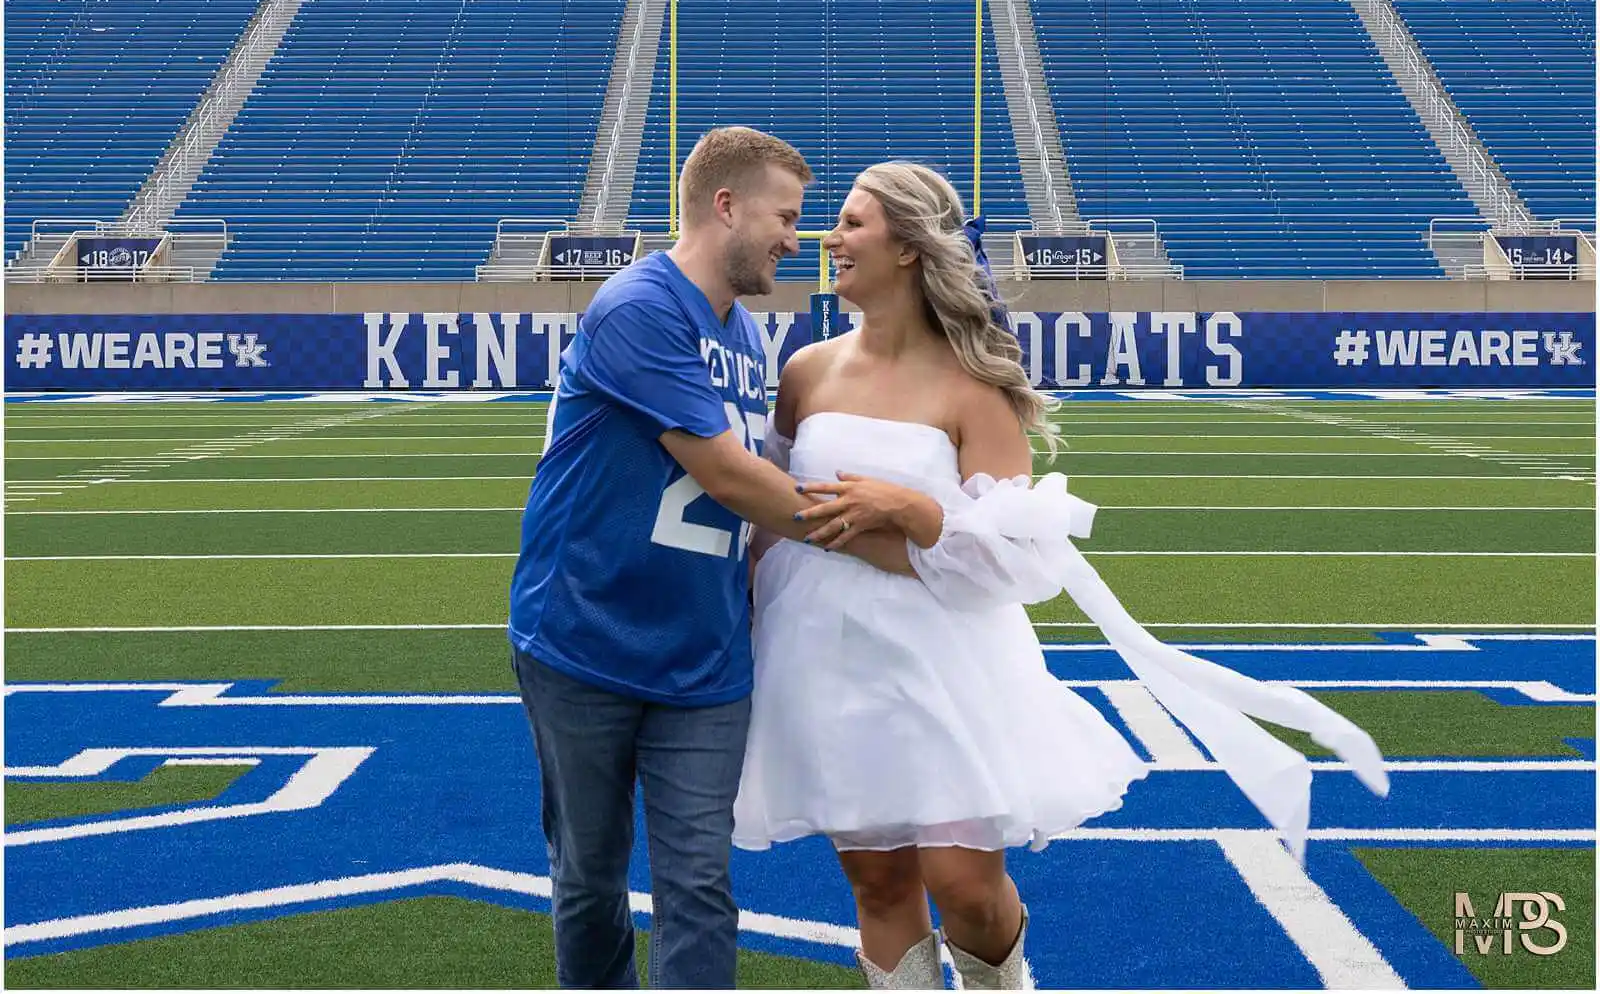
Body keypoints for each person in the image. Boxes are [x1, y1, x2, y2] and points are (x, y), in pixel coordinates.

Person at [732, 162, 1390, 989]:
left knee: (965, 884)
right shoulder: (806, 372)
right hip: (822, 651)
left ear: (908, 246)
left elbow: (1014, 563)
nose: (831, 239)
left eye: (853, 223)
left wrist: (915, 511)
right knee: (878, 880)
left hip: (943, 658)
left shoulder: (977, 387)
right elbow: (772, 517)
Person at [508, 128, 913, 989]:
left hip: (703, 653)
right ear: (725, 206)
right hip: (588, 636)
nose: (795, 240)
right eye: (785, 216)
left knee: (698, 881)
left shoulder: (742, 333)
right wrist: (887, 536)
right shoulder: (641, 306)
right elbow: (732, 478)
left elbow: (759, 493)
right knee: (589, 878)